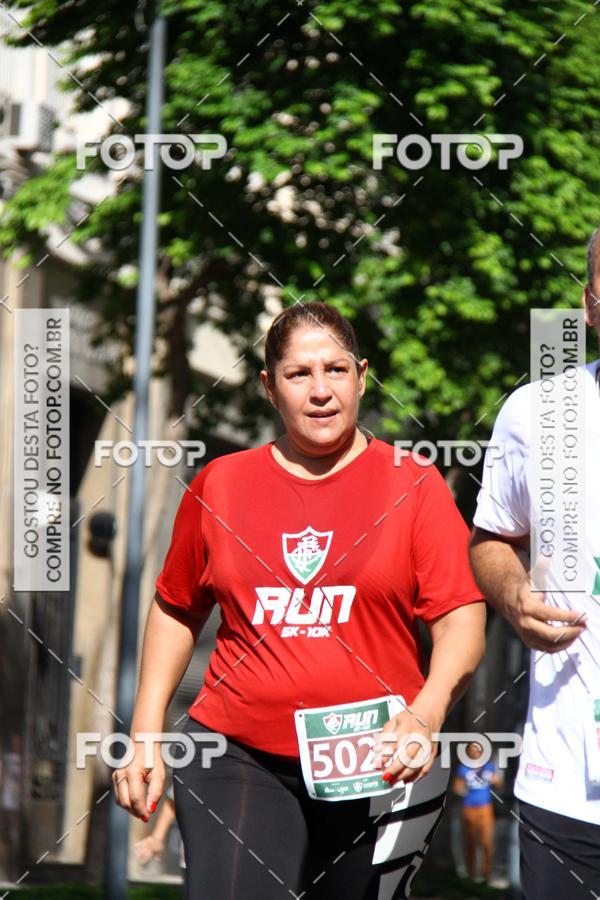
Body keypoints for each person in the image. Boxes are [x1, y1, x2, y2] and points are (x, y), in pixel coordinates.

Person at [113, 301, 486, 899]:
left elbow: (461, 619)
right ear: (269, 386)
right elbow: (177, 607)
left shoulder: (412, 485)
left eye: (335, 371)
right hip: (236, 754)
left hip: (374, 760)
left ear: (362, 377)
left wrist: (429, 709)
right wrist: (146, 734)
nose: (320, 391)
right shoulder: (221, 483)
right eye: (298, 374)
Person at [469, 230, 600, 899]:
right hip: (566, 785)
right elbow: (491, 540)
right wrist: (514, 595)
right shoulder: (538, 412)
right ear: (590, 306)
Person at [452, 742, 501, 883]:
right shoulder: (463, 769)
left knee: (487, 841)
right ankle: (471, 874)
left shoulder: (489, 766)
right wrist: (463, 788)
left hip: (485, 807)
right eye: (473, 750)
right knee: (471, 841)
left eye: (478, 750)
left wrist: (495, 780)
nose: (476, 753)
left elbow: (499, 784)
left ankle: (486, 874)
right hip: (469, 807)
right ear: (468, 752)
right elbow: (457, 788)